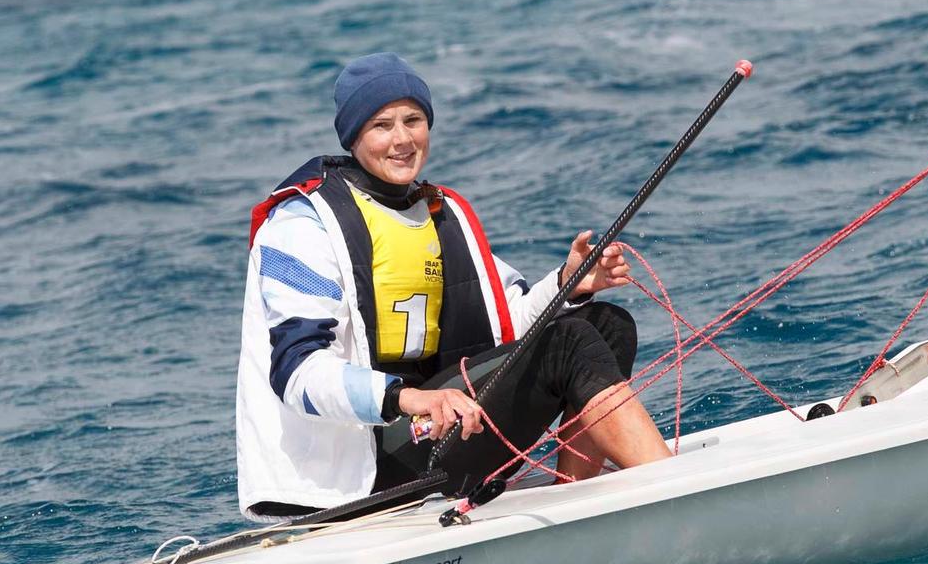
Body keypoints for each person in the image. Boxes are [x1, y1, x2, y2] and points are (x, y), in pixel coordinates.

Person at [237, 53, 671, 521]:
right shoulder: (302, 224)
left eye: (413, 120)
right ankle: (674, 496)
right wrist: (408, 397)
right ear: (353, 136)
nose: (402, 139)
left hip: (442, 429)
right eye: (381, 125)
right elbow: (297, 373)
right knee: (570, 344)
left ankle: (577, 500)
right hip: (357, 474)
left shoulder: (439, 211)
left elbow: (510, 324)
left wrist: (569, 283)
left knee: (604, 324)